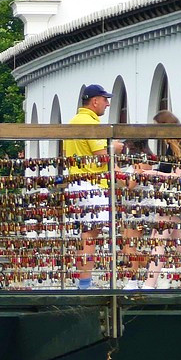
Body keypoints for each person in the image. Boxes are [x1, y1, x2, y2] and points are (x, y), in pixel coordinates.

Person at [61, 84, 113, 288]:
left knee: (84, 234)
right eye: (105, 99)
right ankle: (85, 283)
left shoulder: (73, 122)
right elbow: (102, 157)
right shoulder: (91, 123)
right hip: (92, 184)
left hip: (76, 182)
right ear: (95, 101)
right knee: (90, 236)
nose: (107, 104)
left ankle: (82, 279)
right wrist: (114, 147)